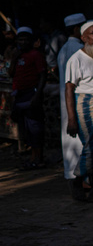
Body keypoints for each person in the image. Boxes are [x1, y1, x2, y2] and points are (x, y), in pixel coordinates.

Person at [64, 21, 93, 202]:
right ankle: (76, 181)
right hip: (85, 104)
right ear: (83, 37)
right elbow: (69, 89)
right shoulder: (76, 59)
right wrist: (71, 119)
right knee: (91, 147)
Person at [58, 13, 86, 197]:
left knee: (72, 144)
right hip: (76, 104)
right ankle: (81, 183)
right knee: (80, 144)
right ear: (77, 29)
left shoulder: (64, 49)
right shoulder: (78, 50)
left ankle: (77, 180)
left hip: (68, 104)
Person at [11, 27, 47, 169]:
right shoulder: (17, 56)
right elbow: (10, 72)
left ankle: (37, 158)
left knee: (35, 127)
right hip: (20, 95)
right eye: (20, 39)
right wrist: (14, 59)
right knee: (26, 128)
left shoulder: (36, 55)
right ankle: (32, 156)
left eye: (26, 39)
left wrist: (37, 95)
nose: (23, 42)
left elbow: (43, 76)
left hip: (31, 94)